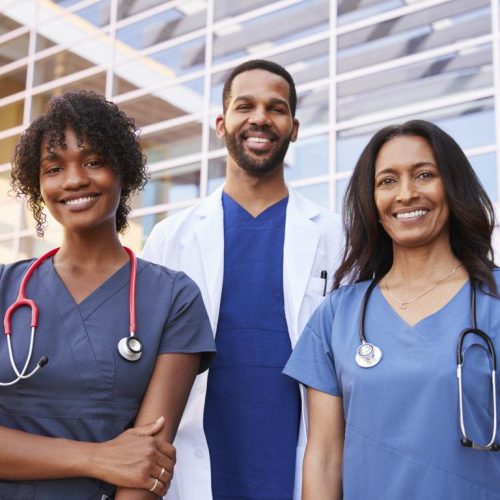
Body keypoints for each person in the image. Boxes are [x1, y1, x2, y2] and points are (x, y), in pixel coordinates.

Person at [142, 59, 343, 500]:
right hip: (196, 473)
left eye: (276, 108)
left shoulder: (336, 238)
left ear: (294, 127)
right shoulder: (169, 239)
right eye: (245, 106)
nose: (260, 118)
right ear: (221, 122)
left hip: (299, 471)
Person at [0, 90, 216, 499]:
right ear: (37, 183)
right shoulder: (4, 288)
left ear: (123, 169)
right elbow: (122, 462)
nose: (75, 179)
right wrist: (95, 457)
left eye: (94, 161)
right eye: (54, 167)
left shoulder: (173, 298)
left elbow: (147, 466)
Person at [284, 119, 500, 499]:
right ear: (371, 200)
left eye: (424, 174)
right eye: (387, 181)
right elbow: (324, 457)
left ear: (453, 186)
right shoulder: (337, 317)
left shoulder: (493, 299)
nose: (406, 193)